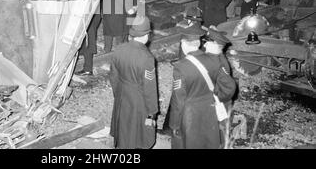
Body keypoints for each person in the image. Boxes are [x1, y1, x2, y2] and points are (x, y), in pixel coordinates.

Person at [169, 27, 237, 149]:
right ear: (200, 43)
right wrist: (216, 97)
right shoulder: (214, 60)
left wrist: (174, 123)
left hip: (190, 115)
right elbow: (230, 86)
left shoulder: (180, 67)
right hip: (210, 110)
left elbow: (178, 100)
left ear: (184, 44)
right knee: (209, 142)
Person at [109, 16, 158, 149]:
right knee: (136, 132)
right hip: (138, 99)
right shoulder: (147, 58)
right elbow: (150, 89)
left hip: (122, 93)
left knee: (123, 126)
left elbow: (113, 76)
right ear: (146, 35)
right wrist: (152, 111)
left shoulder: (119, 49)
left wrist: (118, 94)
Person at [75, 11, 101, 76]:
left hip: (89, 18)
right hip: (91, 17)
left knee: (88, 44)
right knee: (86, 43)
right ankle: (86, 67)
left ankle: (87, 69)